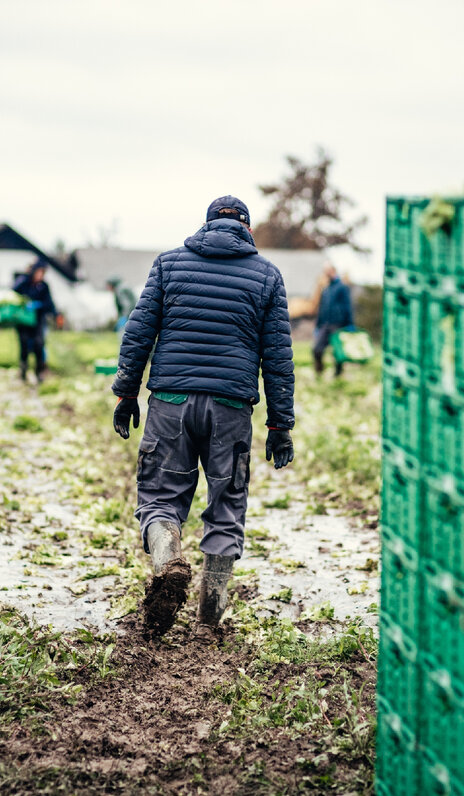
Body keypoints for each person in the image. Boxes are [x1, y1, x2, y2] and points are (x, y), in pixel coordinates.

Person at [111, 195, 295, 638]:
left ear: (206, 225)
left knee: (159, 495)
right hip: (230, 408)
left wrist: (126, 393)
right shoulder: (267, 276)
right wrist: (279, 424)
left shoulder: (169, 264)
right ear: (247, 230)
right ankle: (211, 607)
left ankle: (167, 560)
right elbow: (278, 357)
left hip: (170, 402)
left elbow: (138, 332)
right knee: (226, 503)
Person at [12, 263, 60, 382]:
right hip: (23, 320)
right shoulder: (23, 283)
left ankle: (39, 372)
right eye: (38, 272)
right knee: (24, 345)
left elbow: (49, 303)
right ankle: (23, 372)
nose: (40, 275)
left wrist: (55, 314)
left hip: (38, 320)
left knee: (39, 344)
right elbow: (12, 295)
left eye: (42, 273)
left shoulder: (43, 286)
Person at [312, 262, 355, 377]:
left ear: (333, 271)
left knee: (337, 353)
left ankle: (338, 375)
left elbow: (347, 305)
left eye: (327, 271)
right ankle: (319, 372)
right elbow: (322, 308)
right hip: (325, 324)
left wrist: (350, 323)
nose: (325, 273)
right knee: (317, 349)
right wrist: (317, 325)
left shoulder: (342, 287)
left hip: (338, 324)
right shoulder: (325, 289)